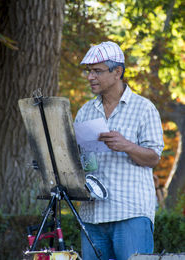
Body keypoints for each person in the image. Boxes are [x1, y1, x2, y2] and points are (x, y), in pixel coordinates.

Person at [75, 41, 164, 260]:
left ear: (118, 72)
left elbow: (154, 158)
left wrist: (127, 146)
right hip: (92, 216)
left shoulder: (144, 108)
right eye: (89, 71)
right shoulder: (85, 111)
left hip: (130, 213)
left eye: (97, 71)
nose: (90, 77)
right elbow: (79, 161)